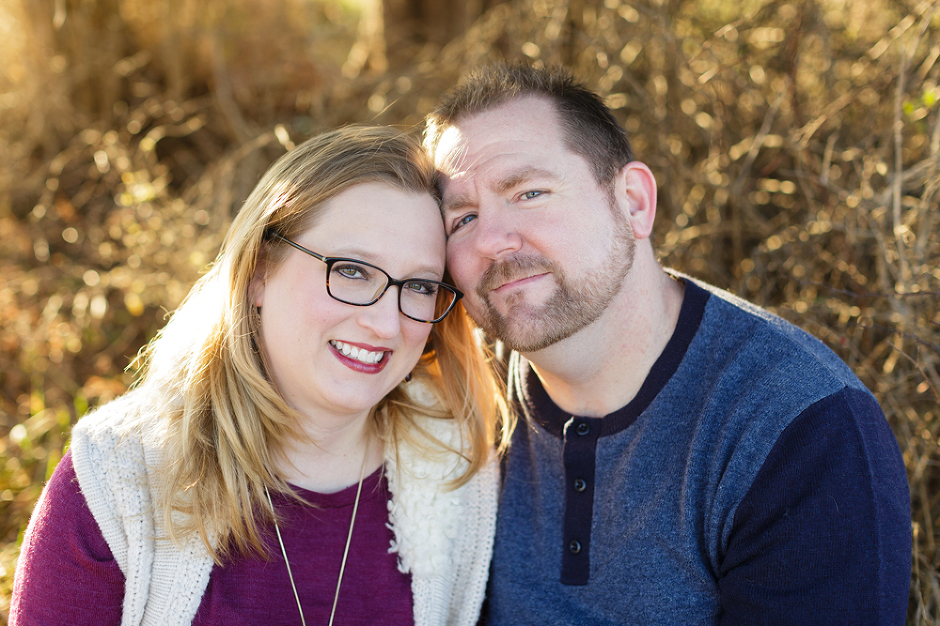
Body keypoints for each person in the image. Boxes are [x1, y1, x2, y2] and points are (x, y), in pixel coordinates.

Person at [423, 63, 911, 625]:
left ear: (633, 202)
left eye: (530, 192)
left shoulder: (801, 430)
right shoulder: (454, 402)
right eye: (462, 218)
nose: (491, 240)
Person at [11, 125, 510, 626]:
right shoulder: (120, 475)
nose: (386, 323)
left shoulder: (457, 472)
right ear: (259, 273)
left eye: (420, 285)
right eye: (352, 271)